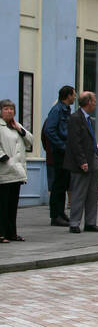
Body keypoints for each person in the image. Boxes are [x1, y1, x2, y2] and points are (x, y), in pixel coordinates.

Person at [64, 92, 98, 232]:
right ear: (88, 102)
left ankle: (90, 222)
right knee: (79, 192)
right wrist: (82, 161)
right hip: (81, 161)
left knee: (92, 193)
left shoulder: (90, 119)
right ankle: (74, 223)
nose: (95, 103)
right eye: (94, 101)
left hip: (93, 157)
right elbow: (75, 142)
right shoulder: (75, 118)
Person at [0, 100, 33, 242]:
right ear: (1, 111)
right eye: (6, 109)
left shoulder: (16, 126)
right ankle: (1, 233)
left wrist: (20, 129)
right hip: (5, 170)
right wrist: (4, 157)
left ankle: (11, 232)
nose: (9, 111)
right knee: (2, 205)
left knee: (12, 205)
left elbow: (30, 141)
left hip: (17, 172)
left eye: (12, 109)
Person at [43, 85, 76, 225]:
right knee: (58, 184)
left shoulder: (65, 110)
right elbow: (48, 130)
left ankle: (61, 213)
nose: (75, 97)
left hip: (65, 152)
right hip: (59, 153)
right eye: (73, 94)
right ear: (68, 96)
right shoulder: (57, 110)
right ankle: (55, 216)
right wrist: (61, 146)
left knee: (63, 184)